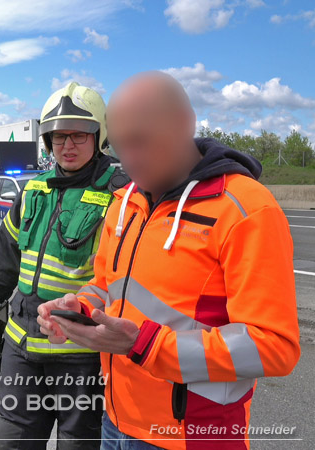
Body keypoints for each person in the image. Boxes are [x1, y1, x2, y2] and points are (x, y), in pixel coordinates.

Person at [37, 72, 301, 449]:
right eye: (121, 146)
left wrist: (145, 345)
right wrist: (79, 306)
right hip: (115, 424)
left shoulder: (246, 209)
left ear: (185, 124)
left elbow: (274, 346)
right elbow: (103, 284)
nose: (130, 160)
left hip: (193, 436)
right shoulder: (124, 202)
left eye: (142, 142)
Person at [0, 82, 129, 450]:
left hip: (81, 355)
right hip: (21, 348)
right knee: (9, 442)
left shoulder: (122, 196)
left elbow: (124, 278)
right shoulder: (35, 190)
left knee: (78, 444)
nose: (67, 146)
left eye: (79, 135)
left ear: (99, 137)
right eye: (58, 137)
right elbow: (1, 266)